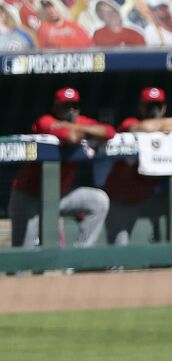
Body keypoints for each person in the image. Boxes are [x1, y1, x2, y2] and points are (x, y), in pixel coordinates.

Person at [9, 87, 113, 248]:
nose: (71, 111)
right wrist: (81, 130)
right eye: (66, 106)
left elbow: (108, 132)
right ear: (55, 108)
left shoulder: (79, 122)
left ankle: (78, 258)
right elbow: (70, 137)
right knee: (23, 257)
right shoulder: (46, 120)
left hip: (59, 195)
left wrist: (75, 126)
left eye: (74, 106)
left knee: (99, 201)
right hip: (29, 196)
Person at [103, 87, 172, 245]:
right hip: (122, 200)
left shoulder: (169, 128)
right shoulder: (130, 122)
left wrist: (161, 126)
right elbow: (144, 129)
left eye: (157, 106)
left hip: (148, 199)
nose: (154, 110)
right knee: (117, 260)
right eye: (149, 106)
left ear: (164, 108)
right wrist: (163, 125)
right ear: (141, 107)